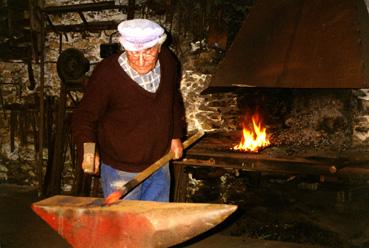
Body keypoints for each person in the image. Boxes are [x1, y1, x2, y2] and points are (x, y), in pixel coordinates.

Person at [71, 18, 186, 202]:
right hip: (120, 169)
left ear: (159, 46)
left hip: (159, 162)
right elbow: (84, 117)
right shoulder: (107, 74)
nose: (140, 61)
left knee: (154, 224)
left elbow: (172, 99)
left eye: (148, 52)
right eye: (133, 53)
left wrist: (175, 135)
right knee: (125, 228)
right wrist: (88, 151)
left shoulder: (168, 61)